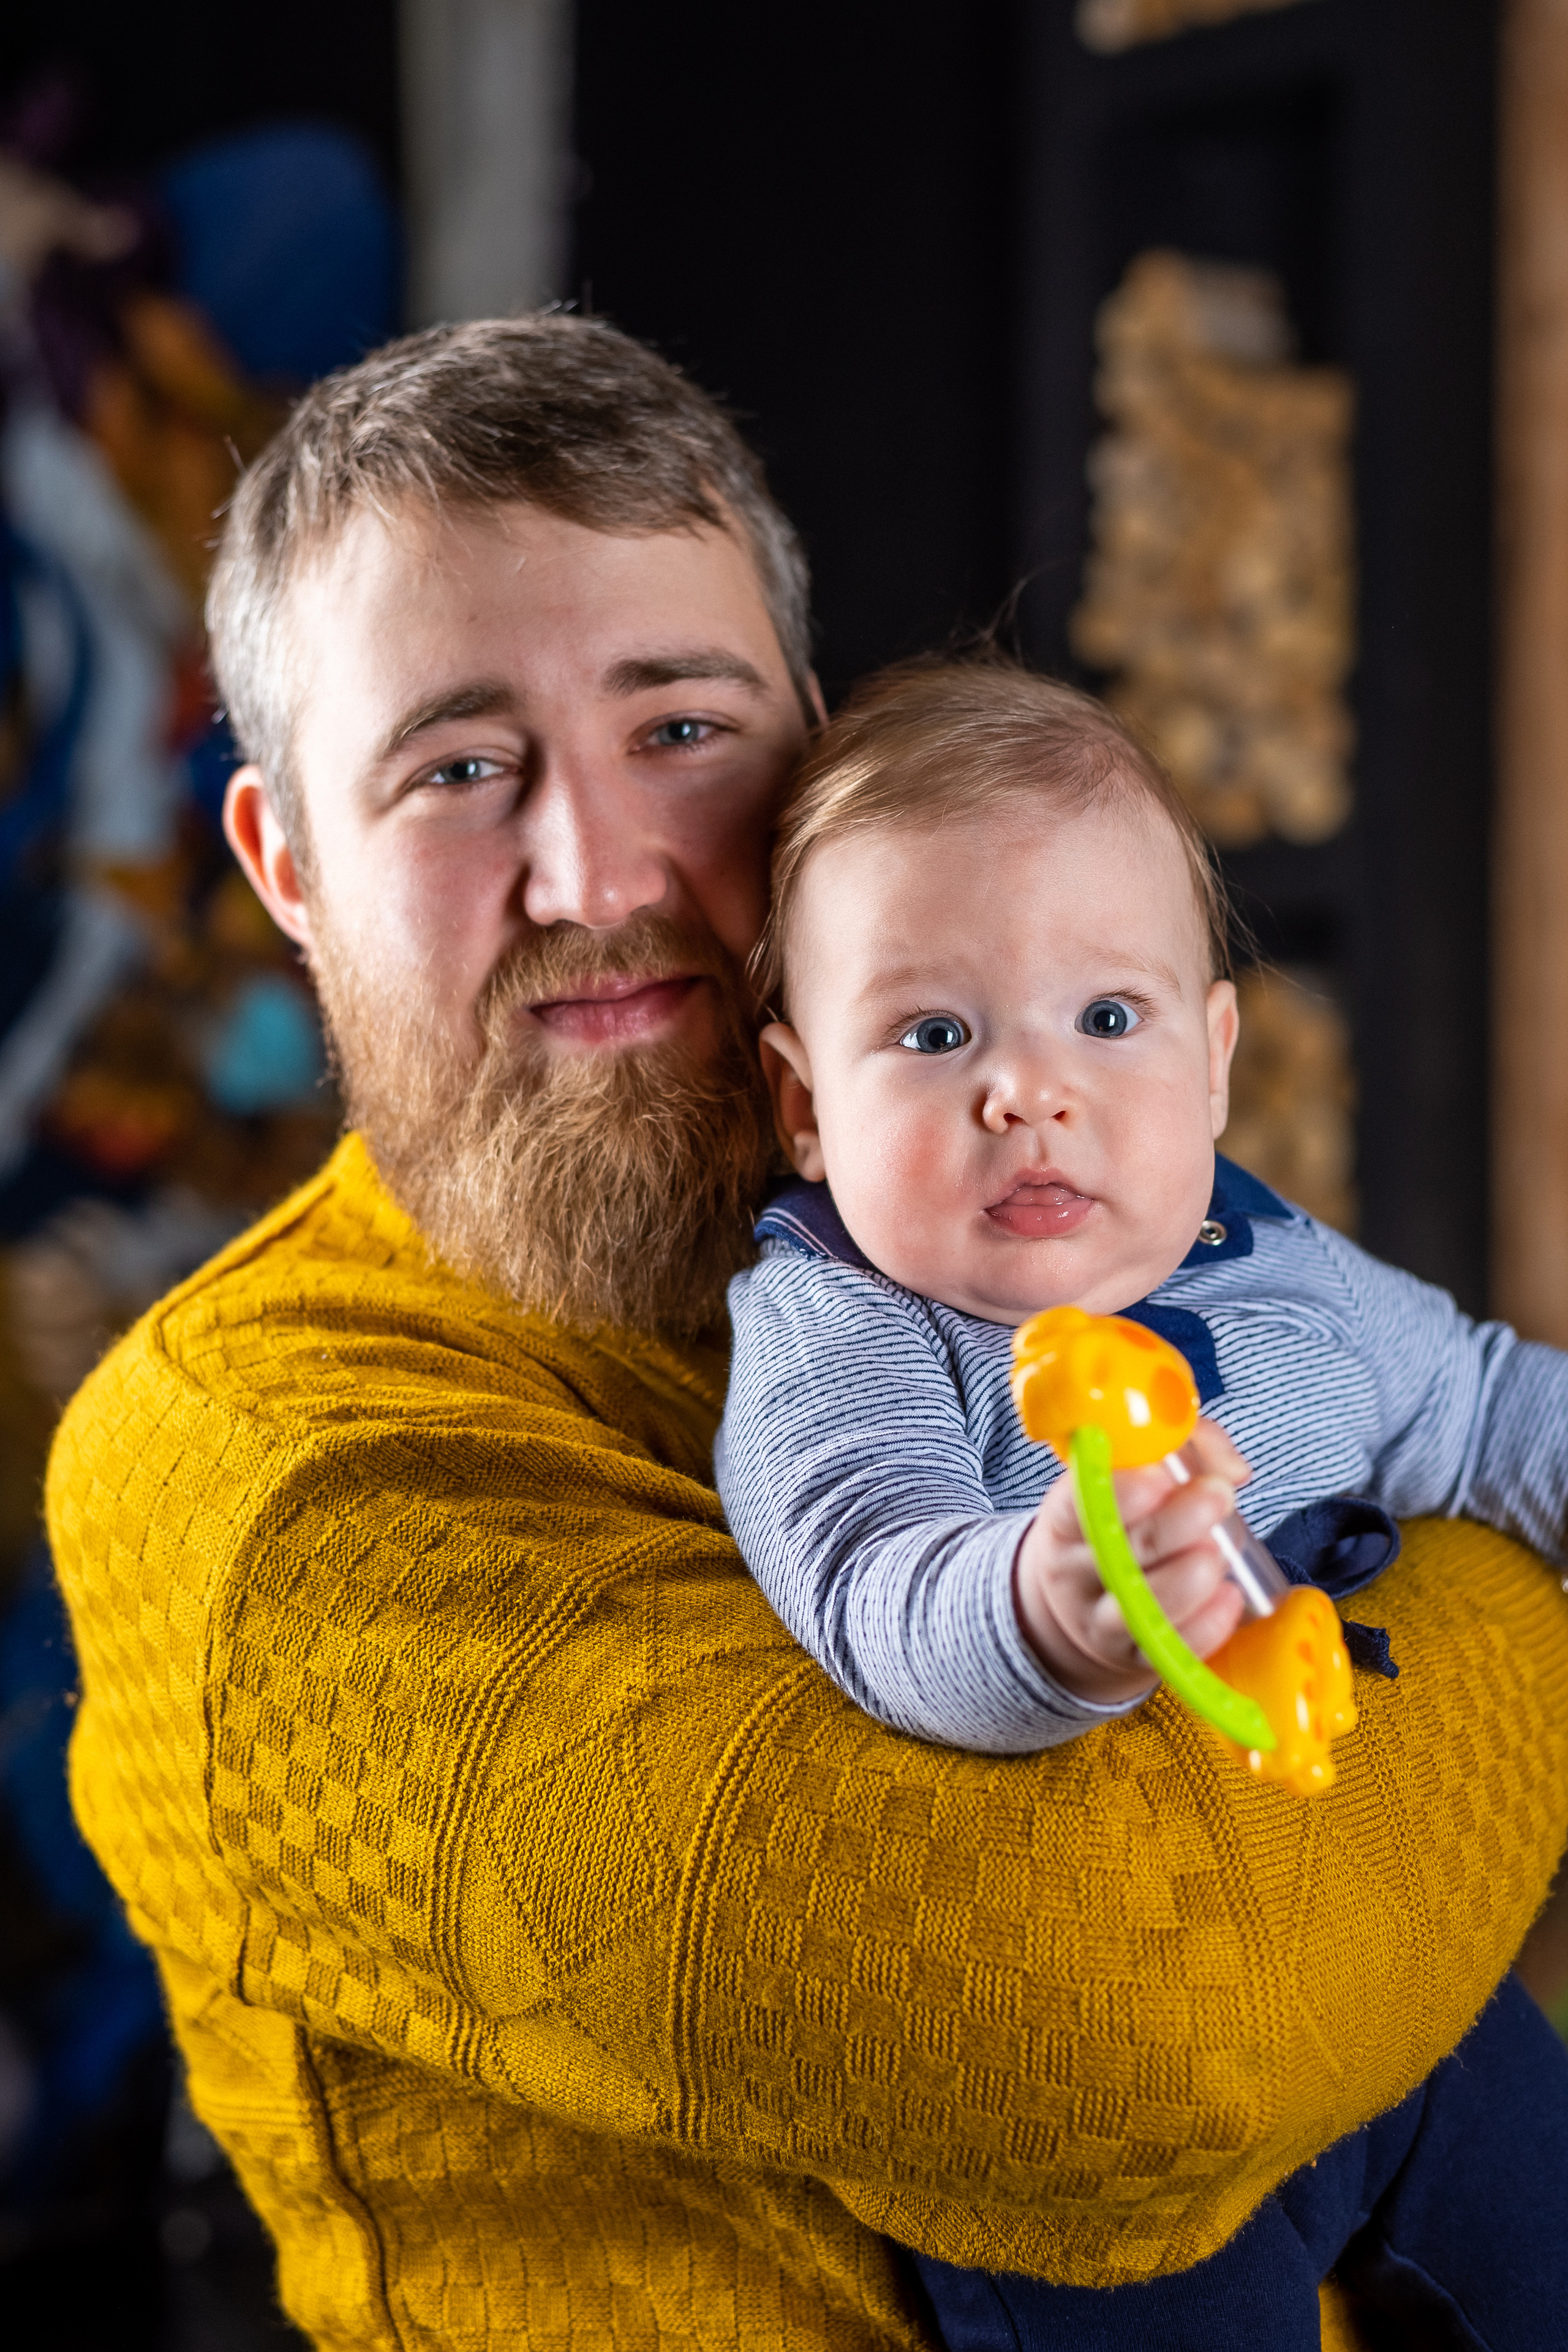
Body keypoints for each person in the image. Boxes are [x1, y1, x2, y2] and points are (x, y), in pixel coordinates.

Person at [41, 315, 1568, 2352]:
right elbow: (1138, 2038)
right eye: (459, 770)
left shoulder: (980, 1214)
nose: (596, 872)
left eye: (681, 729)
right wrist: (1463, 1582)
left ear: (820, 762)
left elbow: (1441, 1405)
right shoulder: (251, 1468)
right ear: (288, 865)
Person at [715, 655, 1568, 2348]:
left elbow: (1478, 1407)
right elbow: (871, 1570)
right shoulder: (847, 1320)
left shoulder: (1271, 1258)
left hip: (1384, 1958)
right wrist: (1045, 1611)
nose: (1029, 1091)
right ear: (805, 1106)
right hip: (1097, 2077)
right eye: (934, 1034)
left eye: (1108, 1020)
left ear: (1215, 1059)